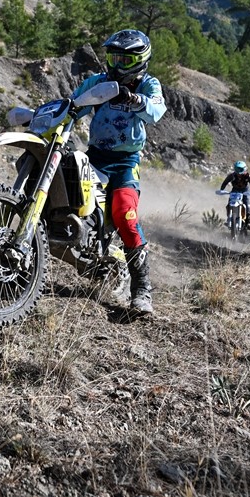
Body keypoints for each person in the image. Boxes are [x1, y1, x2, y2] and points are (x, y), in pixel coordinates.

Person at [70, 29, 167, 314]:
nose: (116, 66)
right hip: (96, 158)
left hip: (125, 163)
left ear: (139, 61)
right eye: (113, 58)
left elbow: (156, 111)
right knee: (67, 195)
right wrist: (61, 115)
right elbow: (75, 104)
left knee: (125, 213)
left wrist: (136, 101)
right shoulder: (99, 83)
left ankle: (141, 289)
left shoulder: (148, 85)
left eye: (125, 61)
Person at [219, 160, 250, 230]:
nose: (239, 172)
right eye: (237, 169)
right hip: (235, 190)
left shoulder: (248, 176)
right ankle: (229, 218)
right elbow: (225, 182)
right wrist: (221, 190)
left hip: (245, 191)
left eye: (240, 169)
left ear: (244, 169)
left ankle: (249, 221)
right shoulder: (232, 175)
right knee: (229, 203)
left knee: (247, 203)